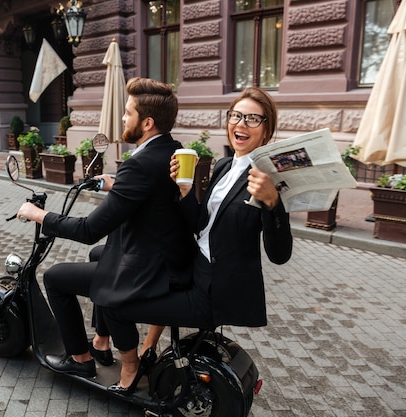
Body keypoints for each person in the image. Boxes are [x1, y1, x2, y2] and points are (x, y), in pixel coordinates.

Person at [99, 86, 293, 393]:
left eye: (253, 119)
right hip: (194, 269)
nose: (241, 124)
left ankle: (131, 369)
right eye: (236, 116)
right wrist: (185, 190)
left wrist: (273, 203)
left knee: (111, 300)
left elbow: (280, 254)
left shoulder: (267, 178)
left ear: (267, 128)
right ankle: (137, 348)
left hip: (213, 293)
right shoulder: (224, 165)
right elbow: (202, 224)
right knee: (106, 259)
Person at [16, 77, 197, 378]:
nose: (124, 118)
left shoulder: (138, 165)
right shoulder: (172, 150)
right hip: (167, 258)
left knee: (56, 277)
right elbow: (151, 194)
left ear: (147, 122)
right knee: (99, 255)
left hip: (150, 270)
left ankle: (80, 358)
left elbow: (88, 230)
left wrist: (38, 214)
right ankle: (101, 341)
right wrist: (117, 185)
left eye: (128, 113)